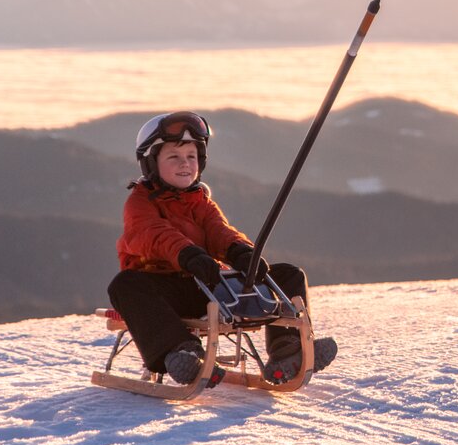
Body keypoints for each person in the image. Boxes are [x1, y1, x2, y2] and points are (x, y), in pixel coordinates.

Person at [107, 110, 337, 385]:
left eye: (191, 157)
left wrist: (241, 252)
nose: (185, 164)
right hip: (165, 291)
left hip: (207, 283)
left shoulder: (201, 201)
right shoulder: (140, 202)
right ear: (151, 163)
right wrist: (187, 253)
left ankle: (288, 350)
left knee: (288, 275)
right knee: (125, 285)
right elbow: (152, 233)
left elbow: (219, 231)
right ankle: (183, 354)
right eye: (174, 157)